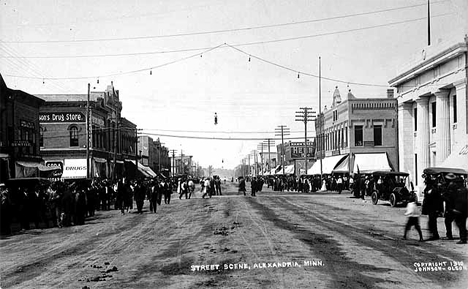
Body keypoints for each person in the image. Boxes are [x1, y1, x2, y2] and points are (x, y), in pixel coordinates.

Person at [421, 177, 443, 241]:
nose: (426, 184)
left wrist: (438, 210)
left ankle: (434, 235)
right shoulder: (428, 189)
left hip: (433, 208)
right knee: (431, 222)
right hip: (429, 208)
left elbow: (438, 200)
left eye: (427, 183)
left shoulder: (434, 190)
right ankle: (434, 234)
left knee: (432, 222)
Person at [452, 177, 467, 244]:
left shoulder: (462, 190)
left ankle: (463, 238)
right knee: (460, 224)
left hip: (461, 210)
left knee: (461, 224)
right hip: (461, 210)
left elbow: (462, 201)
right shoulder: (463, 190)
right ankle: (464, 236)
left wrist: (458, 209)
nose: (456, 184)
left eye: (457, 182)